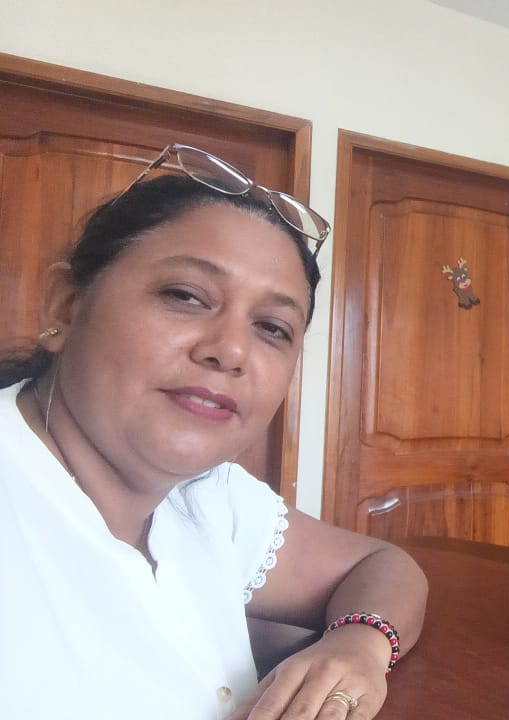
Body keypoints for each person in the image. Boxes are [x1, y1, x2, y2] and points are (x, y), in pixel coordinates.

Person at [0, 144, 429, 720]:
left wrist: (359, 645)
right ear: (66, 306)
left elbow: (381, 564)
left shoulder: (211, 497)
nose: (230, 350)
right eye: (185, 296)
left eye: (272, 328)